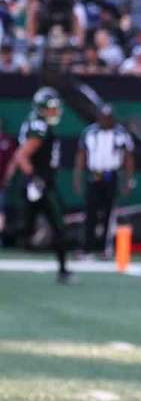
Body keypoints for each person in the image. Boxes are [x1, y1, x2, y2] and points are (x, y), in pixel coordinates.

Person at [2, 88, 72, 282]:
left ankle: (63, 270)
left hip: (36, 182)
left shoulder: (34, 122)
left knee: (27, 229)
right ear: (41, 108)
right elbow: (21, 155)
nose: (55, 111)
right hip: (41, 183)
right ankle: (63, 271)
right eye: (51, 108)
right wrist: (34, 178)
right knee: (58, 226)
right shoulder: (39, 126)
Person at [75, 105, 135, 256]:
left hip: (111, 175)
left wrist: (129, 180)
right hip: (94, 174)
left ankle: (105, 248)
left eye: (108, 118)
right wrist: (77, 178)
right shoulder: (89, 133)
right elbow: (81, 156)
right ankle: (87, 247)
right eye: (103, 118)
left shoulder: (121, 133)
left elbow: (128, 157)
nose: (106, 121)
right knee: (90, 212)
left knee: (109, 212)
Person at [0, 120, 15, 241]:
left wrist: (8, 177)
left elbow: (13, 162)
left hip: (1, 182)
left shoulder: (6, 140)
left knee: (1, 211)